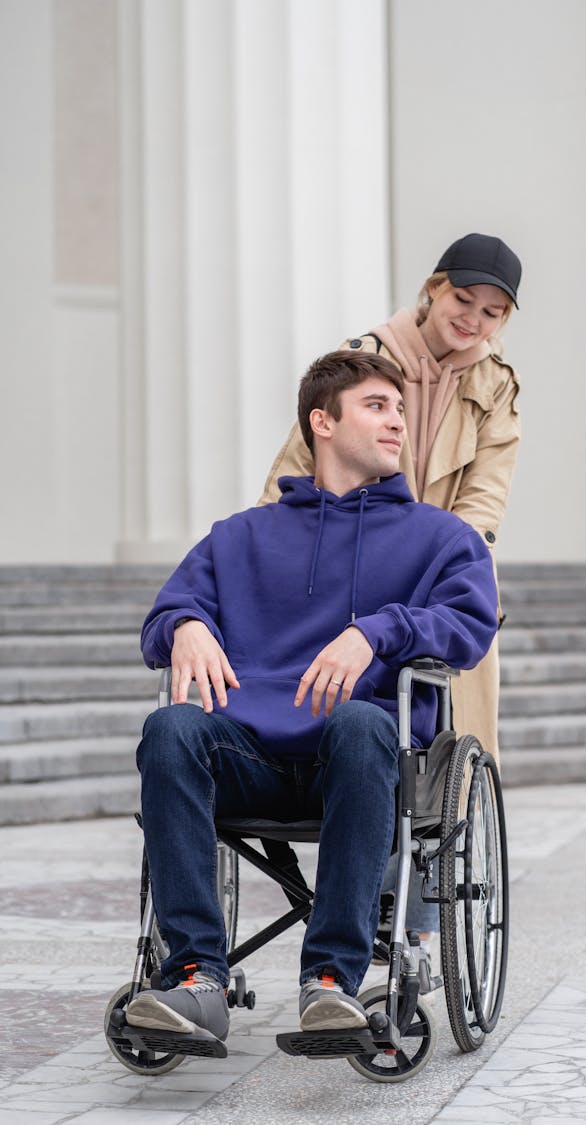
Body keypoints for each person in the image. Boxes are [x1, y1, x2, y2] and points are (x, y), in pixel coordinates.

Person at [125, 350, 498, 1046]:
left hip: (363, 760)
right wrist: (184, 626)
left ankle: (330, 980)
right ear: (322, 422)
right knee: (170, 726)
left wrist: (379, 631)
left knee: (361, 718)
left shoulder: (442, 539)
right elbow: (162, 615)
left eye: (399, 408)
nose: (397, 422)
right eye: (376, 406)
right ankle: (195, 978)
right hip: (249, 757)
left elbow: (469, 627)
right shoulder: (239, 537)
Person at [259, 232, 522, 765]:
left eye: (492, 312)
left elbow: (483, 499)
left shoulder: (497, 386)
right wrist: (263, 554)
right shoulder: (363, 360)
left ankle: (440, 808)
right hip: (349, 554)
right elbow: (297, 467)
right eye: (463, 300)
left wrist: (456, 563)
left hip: (440, 562)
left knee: (460, 722)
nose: (473, 319)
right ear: (434, 290)